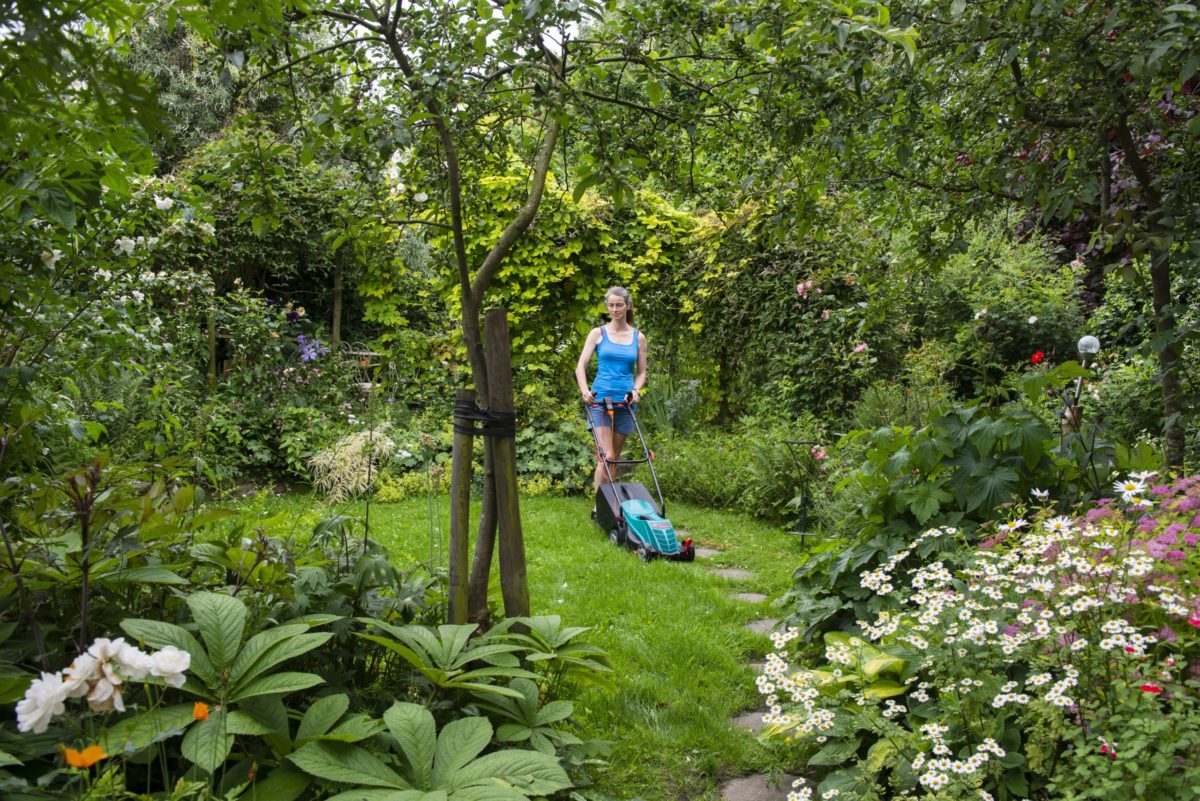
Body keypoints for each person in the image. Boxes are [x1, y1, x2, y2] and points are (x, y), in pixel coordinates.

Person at [575, 286, 647, 498]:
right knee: (606, 455)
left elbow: (642, 373)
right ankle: (600, 506)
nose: (615, 309)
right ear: (607, 307)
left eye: (619, 305)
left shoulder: (638, 337)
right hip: (600, 402)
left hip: (625, 403)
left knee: (615, 457)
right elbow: (580, 366)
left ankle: (610, 502)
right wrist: (585, 390)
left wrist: (636, 390)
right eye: (611, 305)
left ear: (628, 306)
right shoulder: (597, 334)